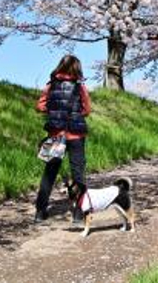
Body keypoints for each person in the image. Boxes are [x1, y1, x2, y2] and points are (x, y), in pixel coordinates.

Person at [34, 53, 92, 224]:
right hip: (76, 135)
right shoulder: (80, 87)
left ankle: (40, 211)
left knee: (49, 174)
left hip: (56, 135)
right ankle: (78, 214)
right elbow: (87, 109)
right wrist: (75, 114)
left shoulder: (50, 86)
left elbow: (40, 106)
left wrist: (53, 111)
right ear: (77, 68)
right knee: (78, 173)